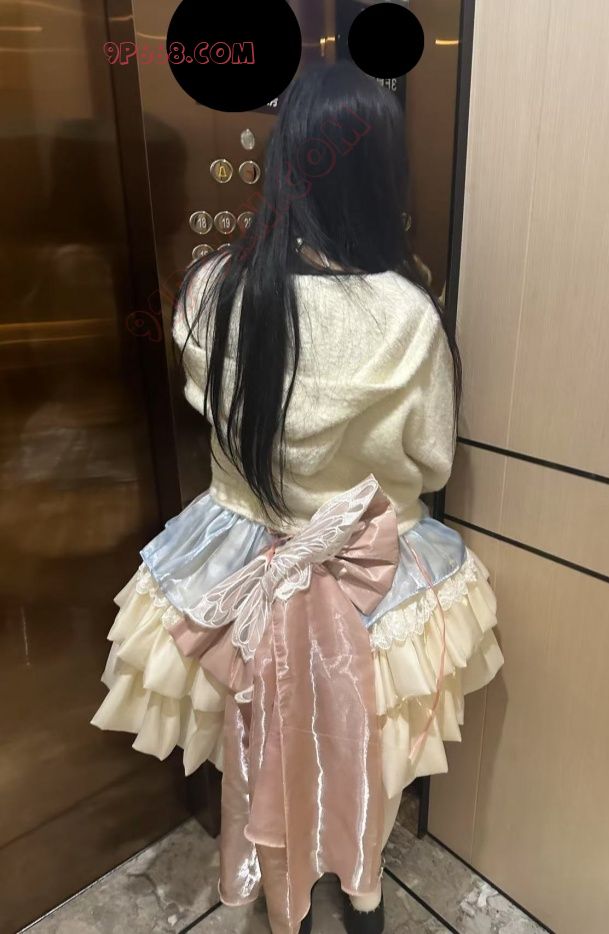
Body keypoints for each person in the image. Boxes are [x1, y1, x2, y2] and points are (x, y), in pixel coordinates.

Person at [91, 62, 504, 934]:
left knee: (254, 735)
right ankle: (362, 891)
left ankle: (281, 892)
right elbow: (430, 463)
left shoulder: (211, 287)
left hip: (233, 561)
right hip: (375, 576)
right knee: (369, 746)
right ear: (381, 175)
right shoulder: (407, 312)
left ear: (283, 162)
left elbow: (206, 401)